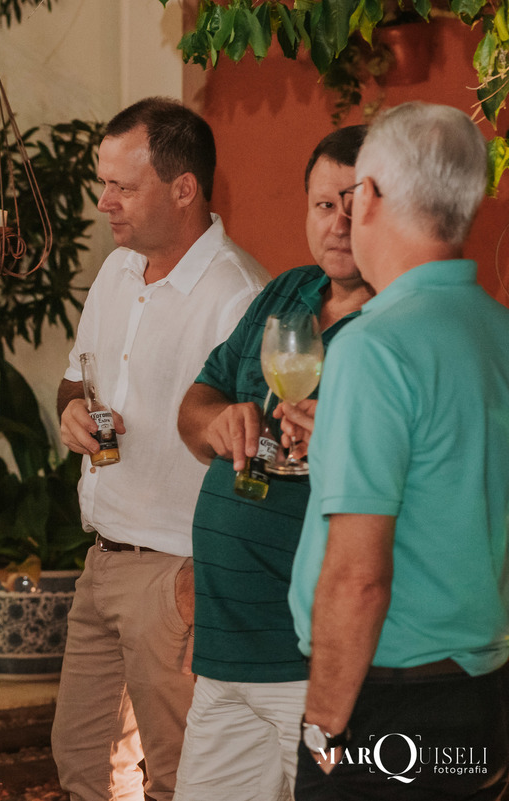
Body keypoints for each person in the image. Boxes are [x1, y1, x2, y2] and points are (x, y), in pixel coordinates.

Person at [287, 102, 509, 800]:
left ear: (372, 197)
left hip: (388, 703)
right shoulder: (497, 329)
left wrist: (322, 727)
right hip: (482, 693)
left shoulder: (374, 345)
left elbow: (358, 578)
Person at [51, 97, 268, 801]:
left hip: (180, 570)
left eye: (122, 186)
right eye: (103, 183)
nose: (104, 202)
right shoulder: (117, 270)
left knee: (182, 779)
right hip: (101, 558)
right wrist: (72, 409)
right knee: (82, 765)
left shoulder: (239, 295)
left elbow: (264, 460)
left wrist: (207, 583)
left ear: (184, 188)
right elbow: (75, 377)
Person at [172, 126, 373, 801]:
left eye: (354, 205)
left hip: (314, 660)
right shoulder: (287, 292)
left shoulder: (398, 329)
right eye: (324, 205)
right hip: (227, 650)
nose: (338, 223)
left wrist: (338, 443)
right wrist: (218, 421)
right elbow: (196, 402)